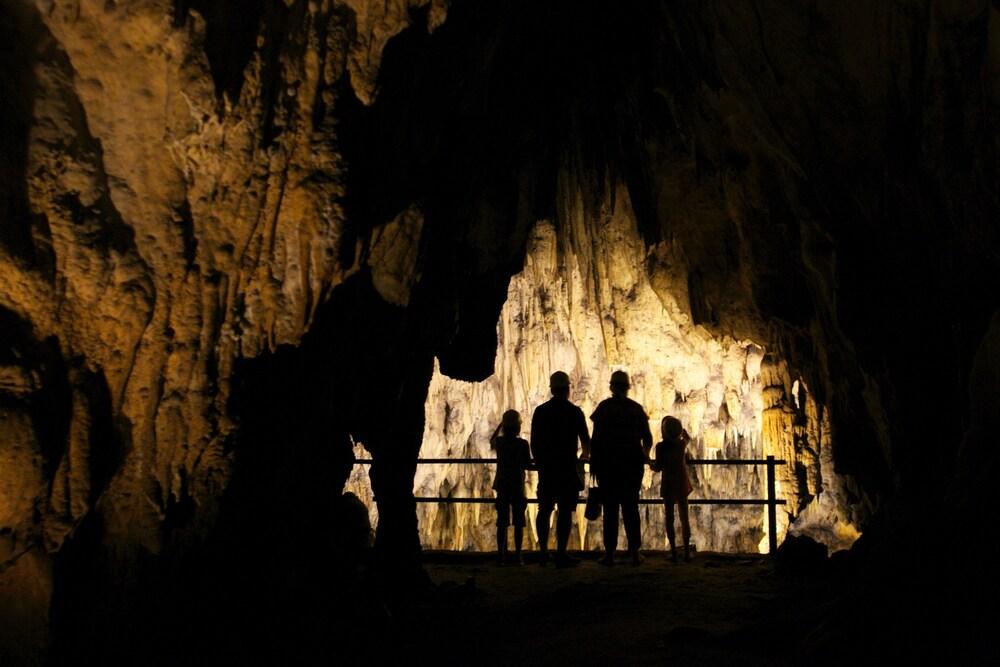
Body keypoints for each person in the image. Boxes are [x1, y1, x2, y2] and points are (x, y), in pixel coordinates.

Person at [590, 370, 653, 566]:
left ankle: (609, 554)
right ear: (627, 388)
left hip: (608, 467)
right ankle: (635, 553)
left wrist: (595, 464)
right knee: (630, 510)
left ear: (611, 387)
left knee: (610, 512)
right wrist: (644, 454)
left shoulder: (604, 408)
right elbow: (648, 438)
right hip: (631, 467)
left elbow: (596, 439)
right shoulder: (635, 409)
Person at [530, 371, 591, 567]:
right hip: (566, 468)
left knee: (544, 509)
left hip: (548, 468)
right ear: (567, 389)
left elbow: (535, 442)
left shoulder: (541, 411)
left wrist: (540, 461)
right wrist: (583, 457)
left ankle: (543, 552)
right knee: (565, 511)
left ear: (552, 389)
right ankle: (561, 553)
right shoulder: (574, 412)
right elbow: (586, 441)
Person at [490, 410, 531, 564]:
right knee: (518, 523)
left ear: (505, 427)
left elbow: (491, 441)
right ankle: (518, 555)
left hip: (502, 485)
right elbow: (527, 464)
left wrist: (501, 424)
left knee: (502, 523)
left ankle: (501, 555)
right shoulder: (522, 444)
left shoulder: (500, 443)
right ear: (518, 427)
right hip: (517, 486)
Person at [651, 416, 694, 562]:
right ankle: (687, 552)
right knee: (685, 518)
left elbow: (657, 467)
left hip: (669, 485)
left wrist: (649, 463)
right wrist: (680, 432)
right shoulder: (681, 444)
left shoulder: (661, 447)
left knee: (669, 518)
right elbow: (687, 437)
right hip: (681, 483)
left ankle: (674, 552)